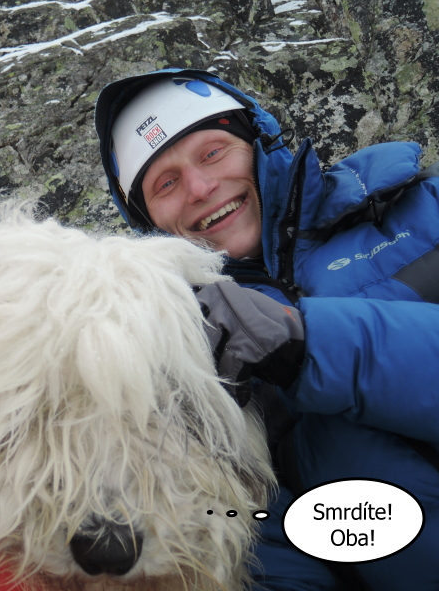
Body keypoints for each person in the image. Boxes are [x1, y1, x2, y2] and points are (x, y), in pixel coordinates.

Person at [95, 69, 439, 590]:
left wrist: (308, 345)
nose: (200, 188)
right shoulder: (189, 363)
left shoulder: (425, 208)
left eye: (213, 152)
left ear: (259, 141)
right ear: (148, 224)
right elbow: (261, 538)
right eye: (166, 183)